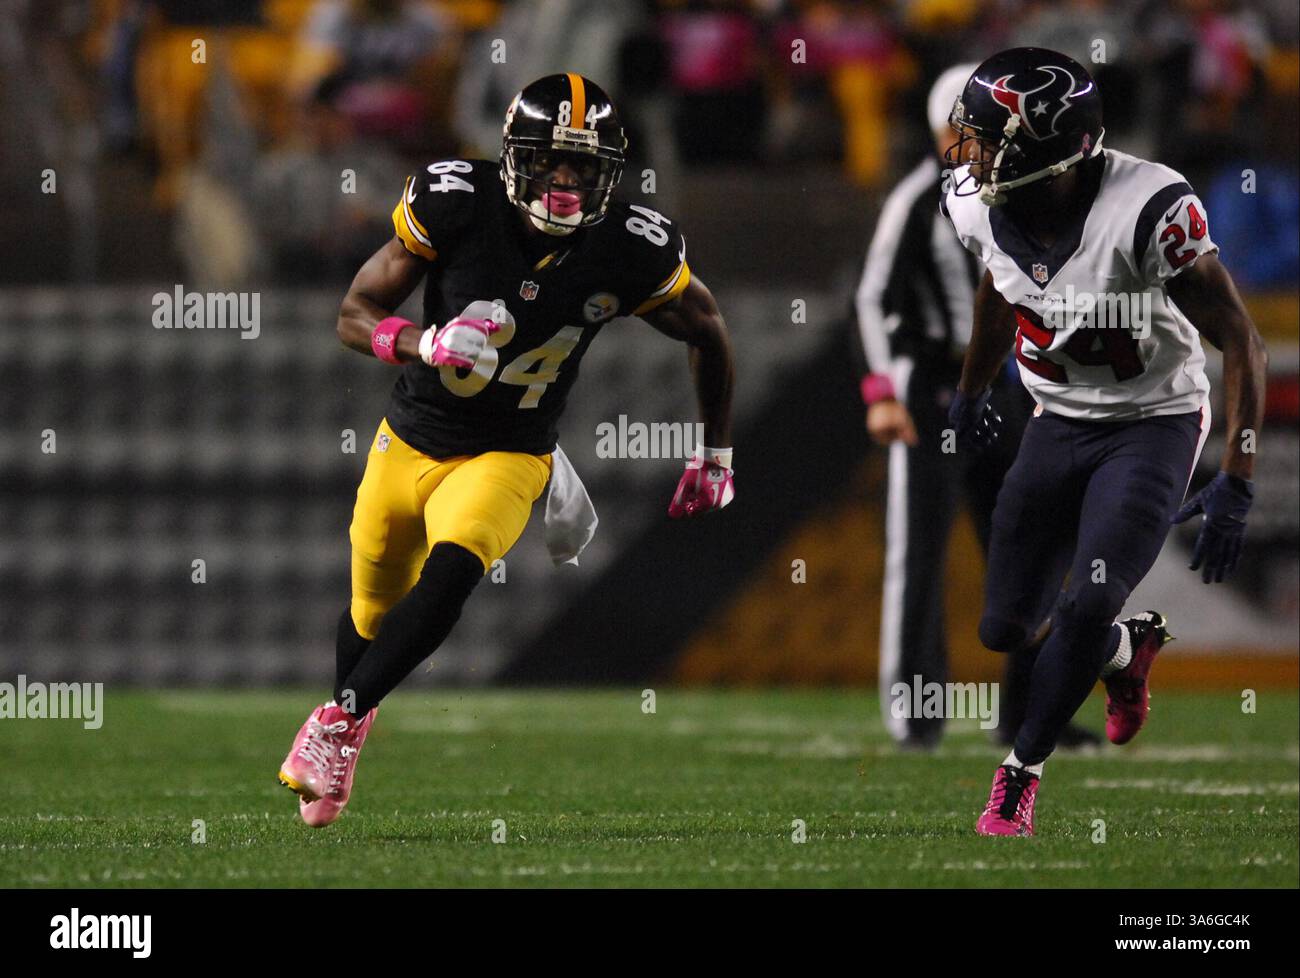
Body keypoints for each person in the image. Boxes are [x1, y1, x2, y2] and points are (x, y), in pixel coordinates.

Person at [276, 74, 736, 827]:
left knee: (456, 566)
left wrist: (716, 454)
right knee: (369, 605)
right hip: (410, 436)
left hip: (510, 450)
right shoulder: (456, 201)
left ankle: (337, 720)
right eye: (552, 162)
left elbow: (708, 328)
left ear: (608, 173)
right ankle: (350, 731)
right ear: (515, 157)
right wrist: (420, 341)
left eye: (583, 168)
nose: (565, 182)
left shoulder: (628, 245)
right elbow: (354, 312)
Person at [942, 48, 1267, 836]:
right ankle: (1124, 652)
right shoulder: (975, 201)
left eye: (989, 138)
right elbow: (997, 280)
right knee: (1004, 630)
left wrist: (1239, 473)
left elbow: (1241, 339)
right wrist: (971, 390)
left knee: (1086, 599)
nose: (970, 154)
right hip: (1057, 419)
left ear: (1047, 149)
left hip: (1151, 420)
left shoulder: (1147, 206)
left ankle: (1019, 778)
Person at [855, 64, 1097, 750]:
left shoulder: (1032, 197)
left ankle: (1026, 714)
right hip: (932, 386)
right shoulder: (918, 198)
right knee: (920, 551)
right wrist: (879, 391)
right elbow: (873, 297)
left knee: (1030, 548)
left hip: (1010, 388)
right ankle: (917, 714)